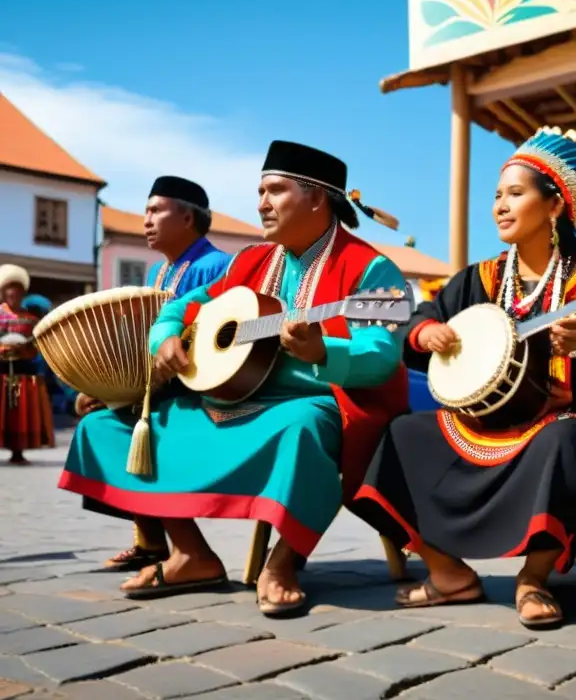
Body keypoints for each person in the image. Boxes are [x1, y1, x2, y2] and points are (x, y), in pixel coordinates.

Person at [58, 141, 409, 616]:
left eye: (274, 190)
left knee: (303, 426)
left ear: (316, 198)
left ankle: (283, 561)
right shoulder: (251, 262)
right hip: (229, 397)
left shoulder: (369, 268)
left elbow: (382, 355)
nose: (261, 202)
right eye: (260, 191)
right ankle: (190, 554)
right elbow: (184, 306)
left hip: (309, 403)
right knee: (111, 423)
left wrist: (324, 348)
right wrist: (165, 335)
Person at [351, 126, 576, 629]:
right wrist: (427, 332)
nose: (500, 206)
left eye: (516, 194)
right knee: (402, 434)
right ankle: (447, 572)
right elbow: (420, 318)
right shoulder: (480, 278)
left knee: (567, 438)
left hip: (561, 423)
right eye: (497, 196)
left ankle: (533, 579)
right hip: (484, 424)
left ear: (554, 206)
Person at [81, 176, 232, 574]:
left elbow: (215, 343)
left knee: (128, 426)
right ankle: (149, 541)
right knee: (101, 416)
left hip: (198, 393)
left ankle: (184, 548)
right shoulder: (158, 273)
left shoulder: (217, 267)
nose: (145, 220)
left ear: (186, 217)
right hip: (159, 388)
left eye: (154, 210)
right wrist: (106, 387)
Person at [0, 265, 54, 464]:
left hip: (23, 371)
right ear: (4, 293)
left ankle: (18, 450)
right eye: (9, 290)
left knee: (20, 413)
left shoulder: (31, 320)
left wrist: (25, 350)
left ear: (23, 293)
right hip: (1, 369)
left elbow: (38, 345)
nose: (13, 294)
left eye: (17, 290)